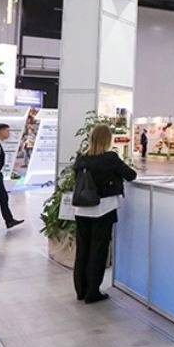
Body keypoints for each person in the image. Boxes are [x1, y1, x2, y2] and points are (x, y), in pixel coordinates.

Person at [72, 124, 137, 303]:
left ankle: (81, 290)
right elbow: (131, 175)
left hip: (81, 210)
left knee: (83, 250)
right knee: (98, 250)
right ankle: (93, 292)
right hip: (103, 209)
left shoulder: (81, 159)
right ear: (108, 140)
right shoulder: (110, 158)